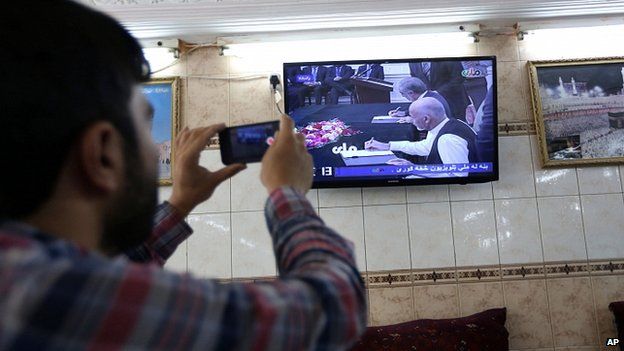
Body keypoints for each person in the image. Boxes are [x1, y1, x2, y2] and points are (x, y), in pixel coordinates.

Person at [0, 2, 366, 350]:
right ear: (103, 154)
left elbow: (121, 264)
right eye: (146, 125)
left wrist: (181, 201)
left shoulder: (29, 277)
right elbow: (333, 306)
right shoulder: (45, 294)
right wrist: (288, 191)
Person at [365, 97, 478, 177]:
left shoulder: (447, 139)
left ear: (426, 119)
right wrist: (387, 146)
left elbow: (458, 175)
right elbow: (426, 147)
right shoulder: (450, 123)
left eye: (413, 118)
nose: (411, 121)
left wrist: (414, 168)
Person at [387, 77, 452, 119]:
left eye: (403, 93)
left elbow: (427, 123)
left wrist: (411, 120)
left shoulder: (428, 102)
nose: (403, 96)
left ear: (411, 93)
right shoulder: (430, 95)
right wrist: (404, 113)